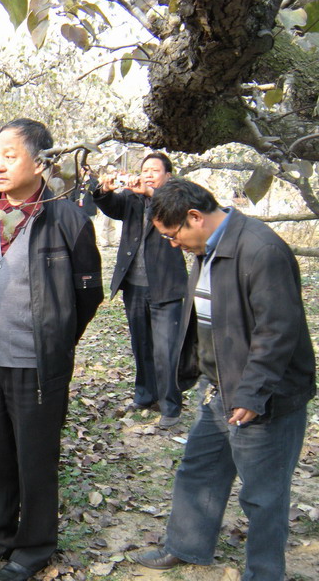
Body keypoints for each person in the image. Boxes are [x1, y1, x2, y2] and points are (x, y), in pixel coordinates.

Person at [132, 179, 315, 580]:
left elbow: (277, 331)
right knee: (199, 469)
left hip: (264, 397)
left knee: (263, 495)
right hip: (221, 388)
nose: (172, 244)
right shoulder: (208, 248)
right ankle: (186, 544)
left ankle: (264, 573)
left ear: (195, 217)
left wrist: (252, 394)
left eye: (173, 234)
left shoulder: (261, 250)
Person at [0, 119, 103, 581]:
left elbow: (88, 294)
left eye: (10, 156)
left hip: (35, 364)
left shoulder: (68, 220)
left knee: (35, 459)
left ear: (40, 164)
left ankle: (35, 547)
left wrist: (54, 337)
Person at [92, 153, 187, 428]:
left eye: (154, 170)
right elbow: (111, 206)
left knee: (166, 350)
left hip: (165, 287)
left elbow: (177, 214)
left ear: (168, 176)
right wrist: (104, 190)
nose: (148, 175)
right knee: (141, 344)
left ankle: (170, 406)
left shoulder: (176, 198)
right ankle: (145, 396)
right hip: (134, 285)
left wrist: (152, 193)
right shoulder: (132, 198)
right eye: (145, 170)